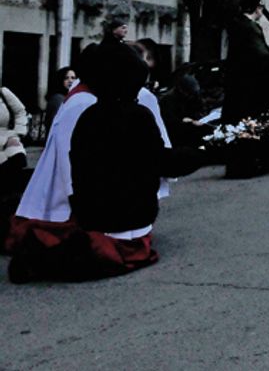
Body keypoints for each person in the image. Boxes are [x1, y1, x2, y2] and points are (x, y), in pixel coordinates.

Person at [7, 40, 202, 283]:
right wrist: (200, 153)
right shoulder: (110, 110)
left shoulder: (94, 109)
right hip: (105, 208)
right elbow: (157, 159)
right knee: (115, 252)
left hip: (97, 204)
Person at [222, 0, 269, 124]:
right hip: (249, 85)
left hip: (238, 82)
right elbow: (260, 56)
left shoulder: (238, 24)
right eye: (261, 7)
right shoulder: (249, 27)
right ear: (257, 8)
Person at [0, 85, 29, 199]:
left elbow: (20, 111)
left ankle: (16, 204)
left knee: (18, 159)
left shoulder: (3, 92)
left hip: (8, 135)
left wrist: (17, 133)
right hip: (2, 142)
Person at [43, 66, 77, 139]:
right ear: (60, 80)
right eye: (66, 78)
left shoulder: (69, 97)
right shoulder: (58, 99)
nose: (70, 81)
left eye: (73, 78)